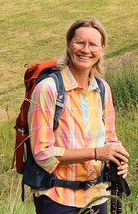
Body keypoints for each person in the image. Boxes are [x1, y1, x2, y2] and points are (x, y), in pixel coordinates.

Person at [27, 18, 130, 214]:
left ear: (102, 50)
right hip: (56, 198)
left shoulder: (102, 89)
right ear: (68, 44)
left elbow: (111, 138)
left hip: (96, 196)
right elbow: (42, 153)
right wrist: (97, 153)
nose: (85, 50)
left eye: (93, 44)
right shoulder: (48, 89)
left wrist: (119, 158)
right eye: (79, 42)